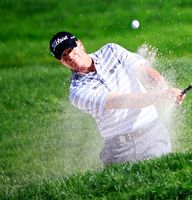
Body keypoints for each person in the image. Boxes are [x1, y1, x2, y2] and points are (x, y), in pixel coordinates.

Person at [49, 31, 185, 165]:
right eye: (64, 56)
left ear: (80, 44)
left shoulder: (111, 50)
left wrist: (164, 89)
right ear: (62, 62)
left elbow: (142, 71)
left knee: (160, 177)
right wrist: (161, 96)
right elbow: (119, 101)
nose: (70, 57)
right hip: (119, 150)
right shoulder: (77, 91)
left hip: (152, 135)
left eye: (71, 50)